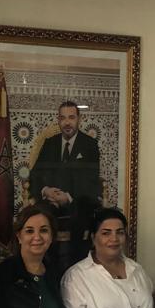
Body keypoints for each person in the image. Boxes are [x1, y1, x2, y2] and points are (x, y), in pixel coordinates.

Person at [28, 100, 102, 275]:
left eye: (71, 117)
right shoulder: (50, 143)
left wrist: (68, 197)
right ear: (58, 120)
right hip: (51, 200)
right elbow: (35, 174)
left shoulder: (90, 145)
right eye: (63, 118)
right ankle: (46, 269)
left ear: (79, 119)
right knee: (39, 217)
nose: (67, 122)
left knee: (81, 217)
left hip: (78, 200)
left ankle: (76, 272)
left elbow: (91, 180)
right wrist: (46, 191)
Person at [62, 207, 153, 308]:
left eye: (120, 232)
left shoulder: (138, 270)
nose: (114, 239)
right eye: (106, 233)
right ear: (93, 238)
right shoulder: (76, 277)